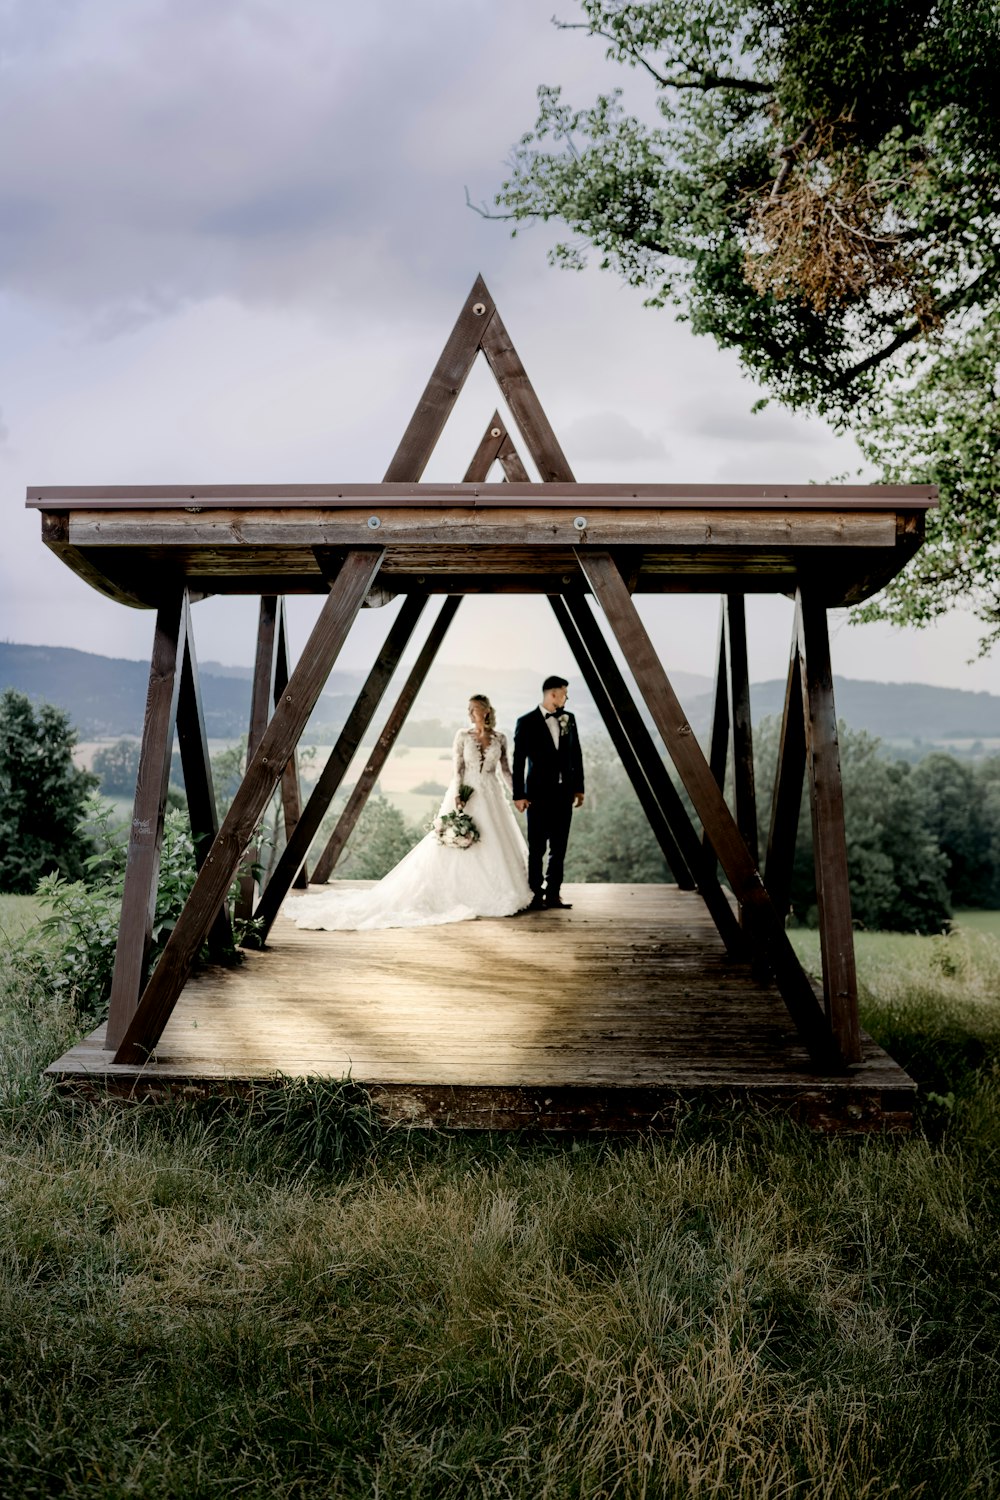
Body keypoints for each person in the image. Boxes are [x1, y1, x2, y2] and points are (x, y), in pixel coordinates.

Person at [289, 694, 532, 931]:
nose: (469, 713)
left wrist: (517, 795)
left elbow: (506, 770)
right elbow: (457, 769)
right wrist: (458, 794)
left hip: (492, 796)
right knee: (458, 843)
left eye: (474, 709)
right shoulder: (462, 736)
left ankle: (495, 890)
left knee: (493, 842)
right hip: (467, 794)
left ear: (486, 710)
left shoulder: (500, 738)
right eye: (468, 709)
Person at [512, 675, 585, 910]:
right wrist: (518, 794)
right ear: (552, 694)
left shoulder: (569, 719)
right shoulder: (526, 721)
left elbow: (577, 755)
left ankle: (554, 894)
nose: (566, 698)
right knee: (537, 848)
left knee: (559, 847)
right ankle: (534, 895)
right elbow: (518, 761)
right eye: (564, 693)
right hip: (537, 796)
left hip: (564, 795)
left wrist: (579, 788)